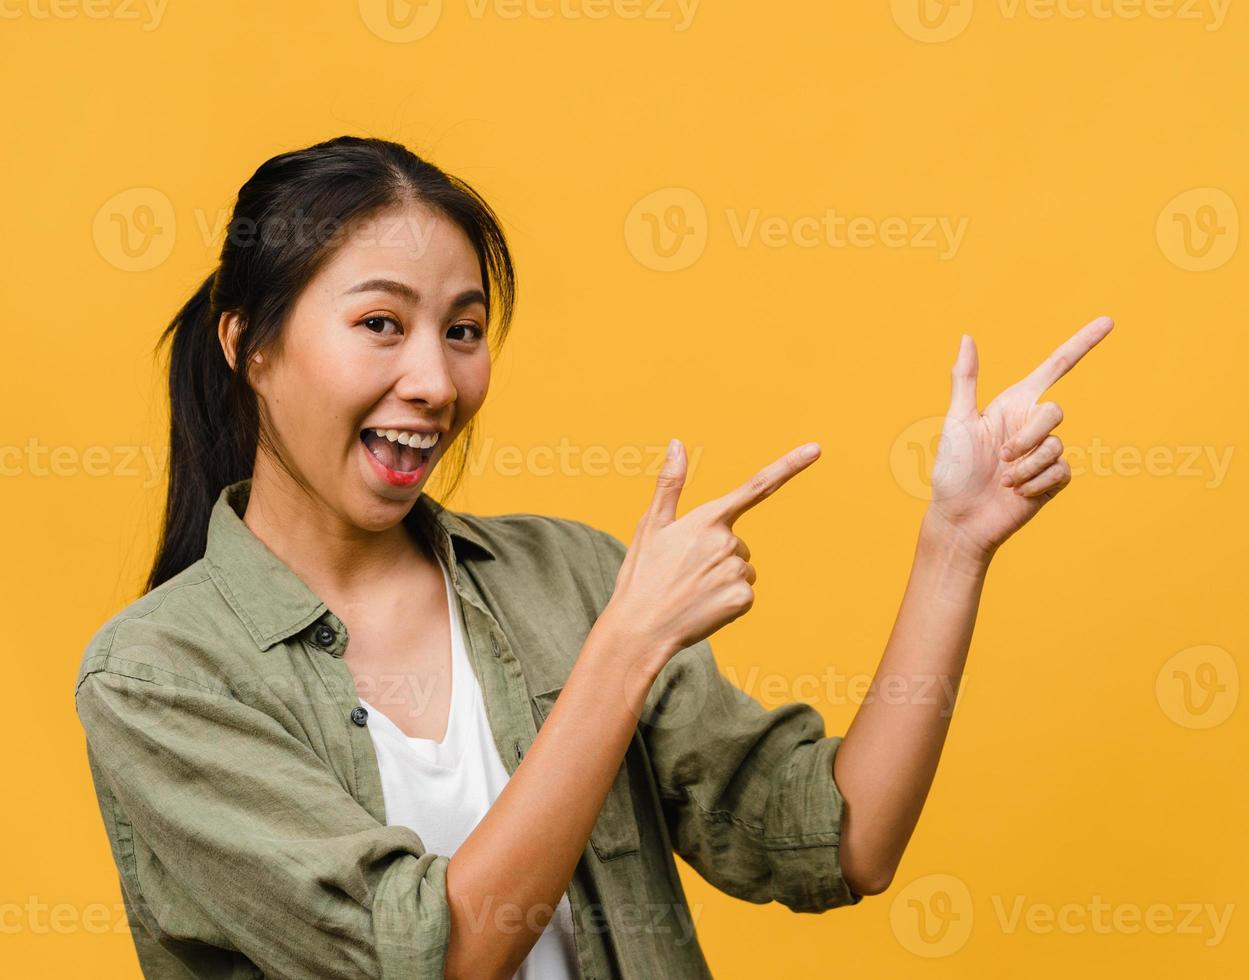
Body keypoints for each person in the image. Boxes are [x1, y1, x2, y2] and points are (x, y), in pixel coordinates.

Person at [73, 134, 1113, 979]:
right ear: (249, 344)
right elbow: (429, 957)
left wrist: (954, 547)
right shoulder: (156, 676)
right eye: (381, 323)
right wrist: (628, 643)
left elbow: (842, 840)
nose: (434, 379)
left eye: (465, 329)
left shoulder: (567, 577)